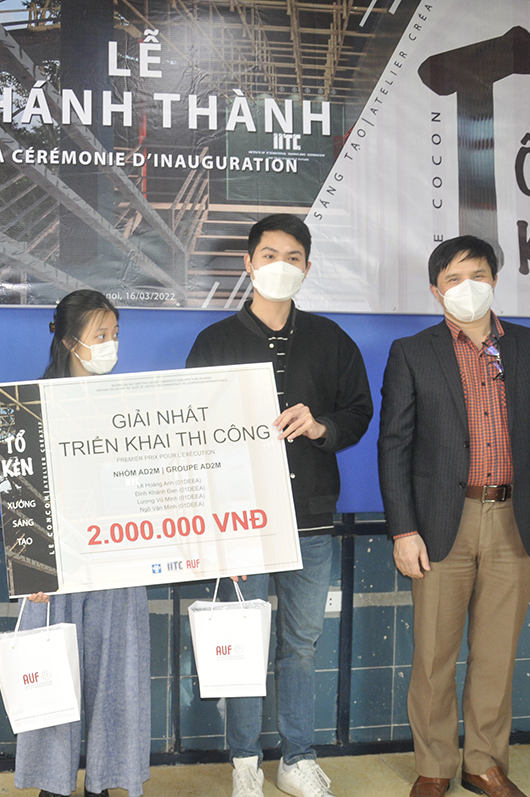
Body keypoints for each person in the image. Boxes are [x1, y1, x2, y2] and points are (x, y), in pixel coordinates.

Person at [377, 236, 530, 797]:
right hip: (443, 521)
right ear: (435, 290)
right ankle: (435, 766)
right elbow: (394, 446)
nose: (467, 287)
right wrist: (403, 529)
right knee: (433, 654)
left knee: (495, 654)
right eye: (453, 278)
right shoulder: (412, 352)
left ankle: (483, 763)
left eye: (478, 275)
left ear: (495, 279)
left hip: (518, 518)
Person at [186, 214, 372, 797]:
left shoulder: (331, 339)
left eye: (293, 257)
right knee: (242, 640)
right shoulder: (214, 342)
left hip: (310, 518)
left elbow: (359, 411)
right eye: (269, 255)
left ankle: (297, 758)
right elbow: (192, 431)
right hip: (240, 522)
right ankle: (245, 761)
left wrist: (321, 427)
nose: (280, 266)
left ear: (308, 268)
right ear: (248, 263)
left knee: (301, 644)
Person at [13, 290, 151, 797]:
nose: (111, 344)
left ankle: (107, 783)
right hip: (56, 572)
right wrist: (32, 569)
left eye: (115, 334)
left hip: (119, 562)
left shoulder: (131, 406)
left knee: (119, 680)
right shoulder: (28, 404)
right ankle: (52, 785)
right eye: (100, 335)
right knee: (54, 679)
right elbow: (22, 487)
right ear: (71, 342)